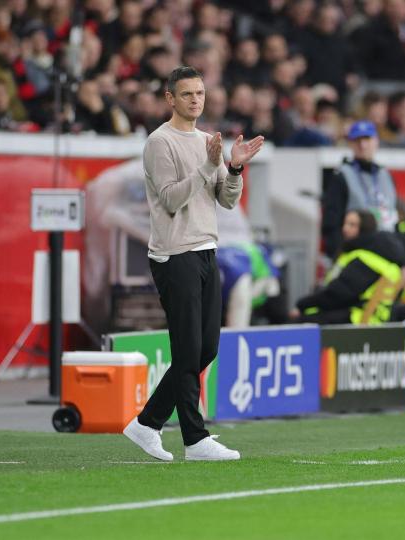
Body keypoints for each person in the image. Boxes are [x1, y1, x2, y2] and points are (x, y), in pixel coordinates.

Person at [123, 66, 263, 462]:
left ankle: (147, 423)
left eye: (200, 93)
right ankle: (194, 439)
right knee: (187, 350)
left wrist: (233, 167)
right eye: (187, 94)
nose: (195, 100)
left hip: (205, 250)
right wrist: (207, 166)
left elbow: (226, 199)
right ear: (170, 99)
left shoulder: (207, 141)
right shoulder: (159, 142)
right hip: (174, 253)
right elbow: (170, 198)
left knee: (205, 349)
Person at [294, 210, 405, 325]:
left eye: (352, 225)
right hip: (373, 318)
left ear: (365, 228)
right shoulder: (380, 254)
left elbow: (338, 295)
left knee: (299, 322)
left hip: (357, 318)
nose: (345, 229)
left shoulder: (365, 258)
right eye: (345, 224)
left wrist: (302, 304)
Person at [321, 120, 398, 260]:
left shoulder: (385, 175)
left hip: (386, 251)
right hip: (356, 253)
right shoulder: (342, 176)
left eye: (367, 139)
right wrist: (338, 254)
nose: (362, 145)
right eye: (357, 140)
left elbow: (393, 216)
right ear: (350, 144)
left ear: (376, 141)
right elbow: (331, 223)